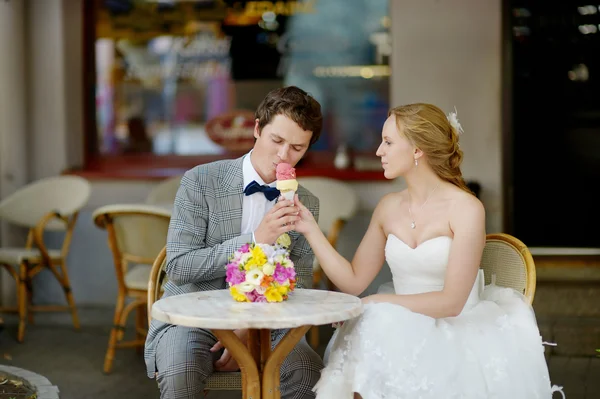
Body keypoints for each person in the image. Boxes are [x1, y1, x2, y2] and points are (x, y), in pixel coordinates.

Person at [292, 103, 565, 398]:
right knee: (377, 325)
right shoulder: (388, 207)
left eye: (388, 142)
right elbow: (353, 280)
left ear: (417, 150)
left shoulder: (466, 209)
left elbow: (452, 303)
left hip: (457, 328)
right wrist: (310, 229)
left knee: (377, 320)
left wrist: (377, 302)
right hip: (397, 323)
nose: (378, 152)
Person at [144, 86, 324, 399]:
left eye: (297, 148)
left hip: (271, 326)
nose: (283, 155)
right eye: (276, 140)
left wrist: (252, 328)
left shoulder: (306, 202)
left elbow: (301, 284)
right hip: (194, 316)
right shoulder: (200, 181)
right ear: (257, 129)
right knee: (180, 372)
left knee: (309, 374)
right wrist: (256, 239)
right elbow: (178, 267)